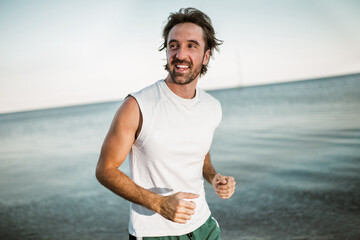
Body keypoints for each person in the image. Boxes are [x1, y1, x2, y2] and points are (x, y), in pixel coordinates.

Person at [96, 7, 236, 240]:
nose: (180, 54)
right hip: (155, 234)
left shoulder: (212, 107)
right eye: (174, 45)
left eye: (191, 45)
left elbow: (200, 152)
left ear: (206, 55)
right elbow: (105, 170)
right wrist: (159, 204)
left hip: (204, 226)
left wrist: (213, 177)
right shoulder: (137, 106)